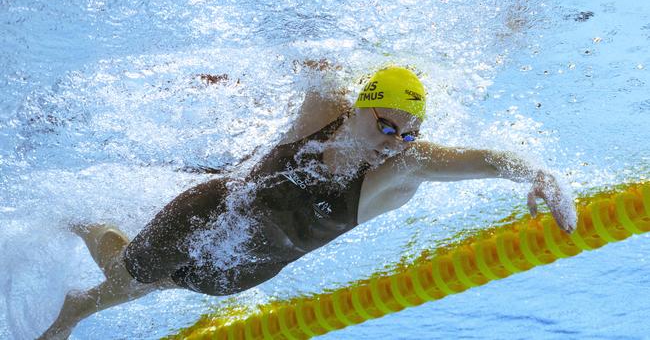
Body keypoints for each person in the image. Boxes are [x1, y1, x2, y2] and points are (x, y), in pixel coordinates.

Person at [39, 65, 577, 339]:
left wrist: (539, 175)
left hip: (245, 267)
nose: (394, 141)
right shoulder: (324, 110)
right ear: (360, 107)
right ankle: (81, 270)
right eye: (386, 124)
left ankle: (78, 301)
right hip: (206, 213)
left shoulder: (400, 170)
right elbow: (304, 50)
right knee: (125, 273)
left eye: (407, 134)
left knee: (150, 284)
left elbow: (482, 159)